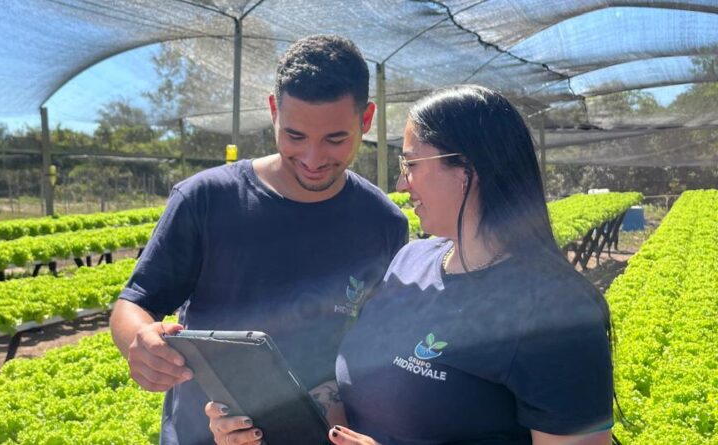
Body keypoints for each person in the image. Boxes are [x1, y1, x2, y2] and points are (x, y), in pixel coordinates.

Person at [207, 85, 614, 445]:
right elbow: (353, 391)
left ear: (468, 169)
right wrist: (265, 427)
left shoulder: (555, 312)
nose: (402, 184)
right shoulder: (411, 260)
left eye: (411, 165)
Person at [109, 34, 409, 445]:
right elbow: (135, 303)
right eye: (295, 136)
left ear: (367, 118)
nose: (313, 158)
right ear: (273, 111)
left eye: (335, 139)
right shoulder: (206, 199)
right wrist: (141, 344)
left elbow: (374, 350)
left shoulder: (383, 224)